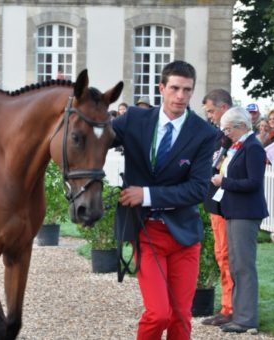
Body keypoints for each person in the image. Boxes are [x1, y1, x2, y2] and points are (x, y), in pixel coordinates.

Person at [113, 60, 217, 340]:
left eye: (187, 90)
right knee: (159, 313)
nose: (180, 96)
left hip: (184, 236)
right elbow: (97, 138)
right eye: (175, 88)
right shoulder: (134, 119)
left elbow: (197, 189)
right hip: (147, 232)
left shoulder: (204, 133)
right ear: (162, 88)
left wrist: (145, 195)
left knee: (181, 316)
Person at [211, 106, 268, 334]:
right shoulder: (240, 146)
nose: (225, 133)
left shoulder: (253, 147)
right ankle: (238, 314)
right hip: (234, 211)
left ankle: (247, 319)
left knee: (243, 267)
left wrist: (223, 182)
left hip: (246, 213)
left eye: (228, 128)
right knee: (235, 265)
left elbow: (253, 182)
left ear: (241, 126)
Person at [201, 89, 235, 327]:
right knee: (221, 255)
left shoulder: (233, 139)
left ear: (224, 108)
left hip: (227, 205)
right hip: (215, 202)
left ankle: (230, 308)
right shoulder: (217, 137)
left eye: (212, 111)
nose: (210, 116)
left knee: (226, 256)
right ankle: (227, 306)